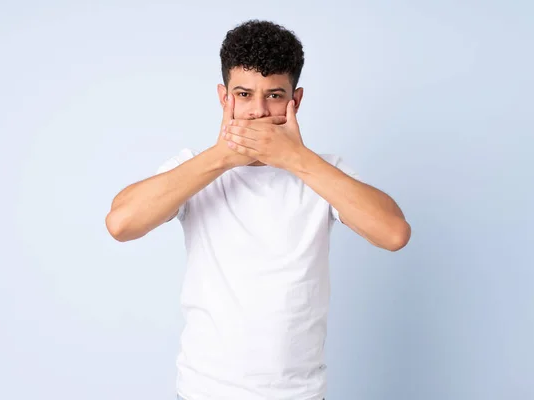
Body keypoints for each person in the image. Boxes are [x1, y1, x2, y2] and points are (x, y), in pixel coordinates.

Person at [106, 19, 411, 400]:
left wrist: (297, 159)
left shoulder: (323, 173)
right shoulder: (195, 168)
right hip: (203, 391)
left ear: (295, 101)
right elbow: (120, 223)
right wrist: (221, 157)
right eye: (244, 94)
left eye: (275, 95)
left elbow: (394, 233)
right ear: (223, 97)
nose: (258, 111)